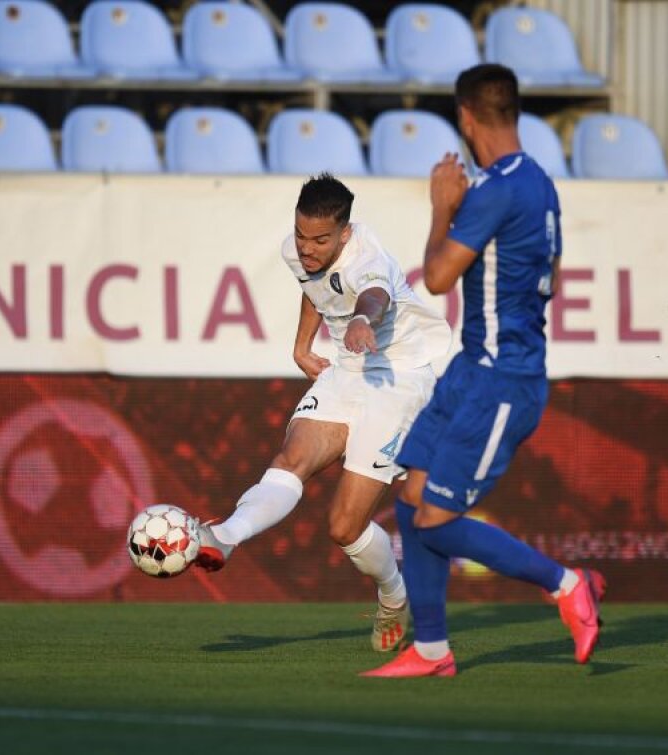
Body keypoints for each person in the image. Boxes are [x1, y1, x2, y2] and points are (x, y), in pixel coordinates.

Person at [363, 64, 605, 678]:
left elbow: (438, 278)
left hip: (502, 379)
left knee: (436, 520)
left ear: (467, 118)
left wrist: (441, 208)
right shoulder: (538, 182)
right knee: (411, 495)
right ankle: (432, 651)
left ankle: (567, 583)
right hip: (473, 369)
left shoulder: (498, 188)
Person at [194, 173, 453, 653]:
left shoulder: (367, 259)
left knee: (343, 528)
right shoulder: (295, 251)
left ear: (345, 233)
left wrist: (359, 319)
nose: (307, 248)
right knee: (292, 457)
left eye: (320, 239)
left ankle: (394, 596)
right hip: (349, 367)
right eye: (301, 235)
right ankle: (224, 537)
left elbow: (371, 298)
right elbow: (316, 289)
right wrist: (300, 344)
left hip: (397, 377)